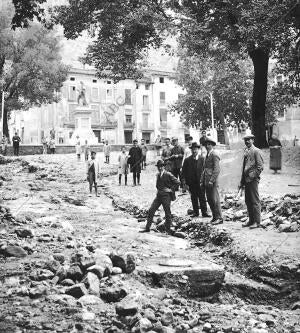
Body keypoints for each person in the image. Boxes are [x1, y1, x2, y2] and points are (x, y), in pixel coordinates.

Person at [140, 160, 180, 234]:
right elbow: (157, 185)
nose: (160, 168)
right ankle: (147, 228)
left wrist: (171, 190)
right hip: (158, 196)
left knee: (167, 213)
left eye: (161, 166)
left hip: (166, 196)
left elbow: (177, 182)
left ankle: (168, 231)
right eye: (159, 167)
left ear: (164, 167)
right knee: (151, 210)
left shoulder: (168, 174)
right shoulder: (158, 175)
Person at [239, 133, 264, 229]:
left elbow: (260, 167)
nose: (247, 141)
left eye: (249, 139)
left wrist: (252, 175)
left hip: (253, 180)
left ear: (253, 140)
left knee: (255, 201)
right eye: (245, 140)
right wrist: (242, 180)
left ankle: (257, 222)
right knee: (248, 201)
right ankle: (251, 220)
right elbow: (244, 166)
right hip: (246, 180)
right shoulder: (246, 151)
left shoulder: (256, 151)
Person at [182, 142, 211, 218]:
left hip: (201, 182)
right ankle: (196, 212)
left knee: (202, 197)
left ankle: (204, 212)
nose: (194, 151)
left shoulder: (202, 159)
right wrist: (185, 183)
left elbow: (206, 170)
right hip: (191, 183)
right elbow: (183, 172)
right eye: (193, 149)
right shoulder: (187, 160)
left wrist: (205, 181)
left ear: (198, 150)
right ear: (191, 150)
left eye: (196, 149)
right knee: (194, 197)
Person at [201, 137, 223, 225]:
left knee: (215, 199)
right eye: (206, 144)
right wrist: (202, 180)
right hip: (207, 180)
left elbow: (217, 169)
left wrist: (212, 180)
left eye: (209, 144)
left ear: (212, 145)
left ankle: (219, 218)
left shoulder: (214, 154)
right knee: (210, 199)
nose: (207, 146)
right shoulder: (207, 155)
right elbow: (205, 169)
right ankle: (214, 217)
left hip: (212, 181)